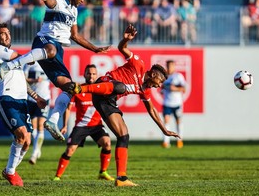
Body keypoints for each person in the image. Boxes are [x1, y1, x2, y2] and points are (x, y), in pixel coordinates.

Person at [69, 24, 180, 187]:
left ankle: (121, 178)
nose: (159, 86)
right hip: (103, 85)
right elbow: (122, 48)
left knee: (124, 135)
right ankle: (80, 88)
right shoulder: (139, 64)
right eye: (159, 82)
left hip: (107, 101)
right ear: (154, 74)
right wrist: (125, 39)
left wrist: (164, 129)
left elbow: (152, 110)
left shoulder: (145, 90)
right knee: (120, 87)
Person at [0, 0, 111, 142]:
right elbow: (52, 2)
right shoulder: (58, 0)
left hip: (57, 51)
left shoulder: (74, 10)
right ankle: (11, 65)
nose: (83, 0)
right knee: (51, 50)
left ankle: (52, 121)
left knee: (70, 87)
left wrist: (95, 49)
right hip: (44, 41)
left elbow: (76, 36)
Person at [0, 23, 47, 186]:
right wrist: (37, 54)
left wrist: (36, 97)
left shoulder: (16, 64)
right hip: (7, 98)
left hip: (22, 101)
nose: (7, 36)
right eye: (2, 33)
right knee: (21, 134)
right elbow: (19, 57)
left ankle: (10, 171)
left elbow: (22, 82)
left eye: (8, 33)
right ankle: (10, 173)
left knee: (27, 141)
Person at [53, 64, 114, 181]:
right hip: (81, 126)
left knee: (107, 143)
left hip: (97, 125)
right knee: (70, 150)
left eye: (94, 74)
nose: (91, 76)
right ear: (84, 74)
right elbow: (68, 108)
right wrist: (64, 125)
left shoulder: (101, 89)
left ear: (97, 75)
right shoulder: (78, 89)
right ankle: (57, 176)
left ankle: (103, 172)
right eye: (89, 73)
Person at [24, 62, 51, 165]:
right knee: (33, 126)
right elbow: (24, 79)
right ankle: (37, 148)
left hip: (45, 98)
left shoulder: (48, 64)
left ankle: (35, 153)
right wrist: (34, 80)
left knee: (41, 125)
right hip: (32, 98)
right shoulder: (29, 64)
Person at [161, 60, 186, 149]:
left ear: (174, 66)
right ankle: (166, 142)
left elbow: (184, 89)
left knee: (178, 121)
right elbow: (161, 90)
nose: (169, 68)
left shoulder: (178, 76)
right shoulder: (164, 77)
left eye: (171, 66)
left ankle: (179, 140)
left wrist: (174, 88)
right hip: (167, 103)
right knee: (166, 121)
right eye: (168, 66)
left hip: (177, 103)